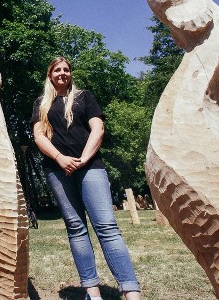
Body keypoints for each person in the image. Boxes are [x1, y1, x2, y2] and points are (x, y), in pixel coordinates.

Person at [31, 57, 141, 300]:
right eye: (57, 70)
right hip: (58, 170)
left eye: (66, 69)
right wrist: (60, 159)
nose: (62, 73)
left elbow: (98, 129)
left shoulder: (85, 97)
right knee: (76, 228)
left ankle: (130, 290)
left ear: (71, 74)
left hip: (91, 168)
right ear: (50, 75)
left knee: (107, 227)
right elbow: (39, 137)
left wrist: (82, 159)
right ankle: (92, 292)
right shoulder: (41, 103)